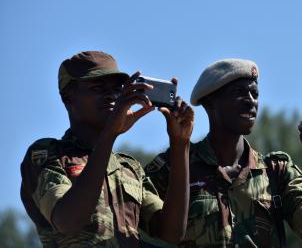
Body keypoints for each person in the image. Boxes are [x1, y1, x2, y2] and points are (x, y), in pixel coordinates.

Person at [145, 59, 302, 248]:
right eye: (238, 93)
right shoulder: (174, 165)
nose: (251, 101)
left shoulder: (276, 171)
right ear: (209, 103)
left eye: (254, 94)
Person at [20, 51, 194, 247]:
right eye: (98, 87)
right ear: (68, 97)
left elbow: (170, 234)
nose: (111, 95)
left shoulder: (128, 167)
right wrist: (109, 134)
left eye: (117, 89)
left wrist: (180, 144)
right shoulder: (48, 154)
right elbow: (68, 221)